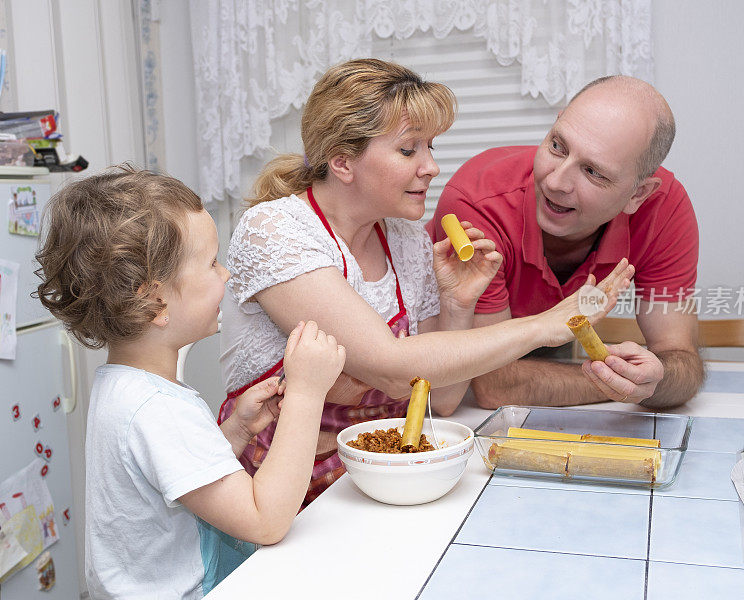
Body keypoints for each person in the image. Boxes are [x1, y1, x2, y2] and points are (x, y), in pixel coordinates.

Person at [220, 58, 635, 505]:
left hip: (385, 471)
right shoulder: (276, 231)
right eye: (408, 150)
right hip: (280, 487)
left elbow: (445, 398)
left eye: (431, 148)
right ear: (342, 162)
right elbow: (391, 367)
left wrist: (457, 304)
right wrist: (545, 325)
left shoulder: (403, 236)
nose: (432, 167)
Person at [35, 167, 346, 598]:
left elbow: (178, 481)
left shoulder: (124, 385)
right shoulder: (158, 407)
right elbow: (266, 520)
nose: (226, 276)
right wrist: (308, 395)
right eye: (212, 263)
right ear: (155, 300)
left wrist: (234, 432)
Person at [428, 75, 704, 410]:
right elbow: (495, 385)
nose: (555, 182)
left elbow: (681, 359)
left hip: (545, 359)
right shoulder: (478, 202)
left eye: (592, 172)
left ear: (639, 194)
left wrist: (657, 380)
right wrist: (618, 384)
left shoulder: (666, 208)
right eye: (558, 146)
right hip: (435, 381)